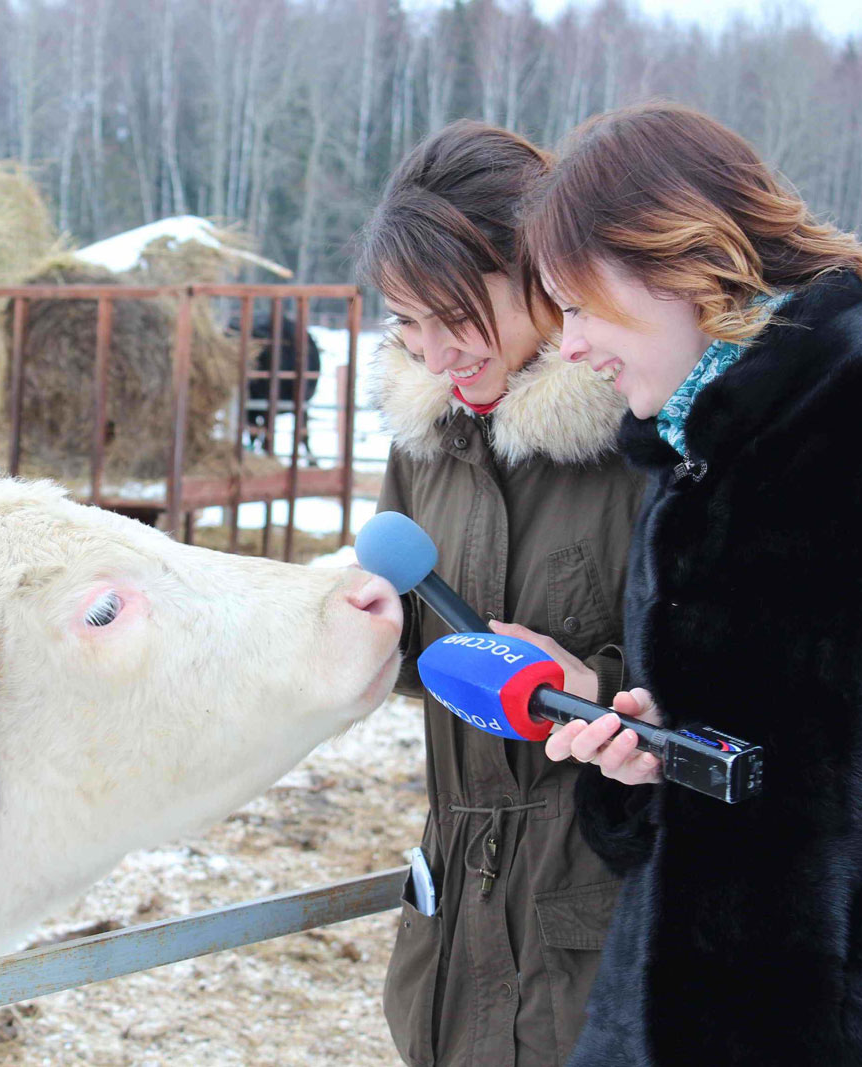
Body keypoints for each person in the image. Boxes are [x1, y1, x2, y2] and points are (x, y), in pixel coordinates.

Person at [522, 101, 862, 1065]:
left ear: (680, 262)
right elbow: (741, 809)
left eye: (580, 305)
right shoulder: (687, 475)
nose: (569, 347)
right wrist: (639, 770)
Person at [357, 121, 645, 1067]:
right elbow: (411, 644)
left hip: (592, 934)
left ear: (542, 270)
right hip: (449, 929)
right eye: (408, 321)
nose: (437, 355)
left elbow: (738, 681)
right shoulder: (426, 439)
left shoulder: (642, 437)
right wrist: (358, 635)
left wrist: (591, 685)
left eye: (459, 315)